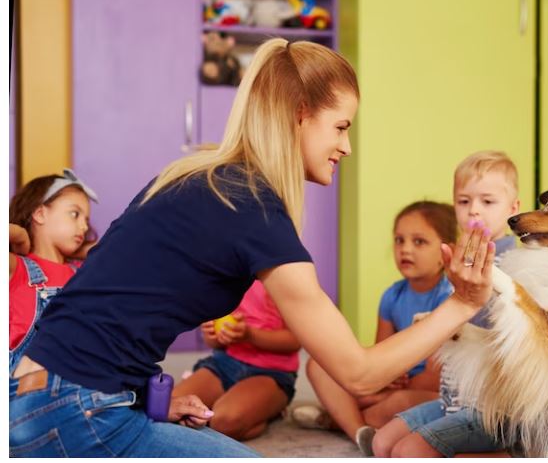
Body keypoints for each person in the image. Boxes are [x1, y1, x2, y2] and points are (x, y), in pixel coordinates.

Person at [9, 38, 496, 458]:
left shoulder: (196, 177)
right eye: (342, 127)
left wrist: (140, 394)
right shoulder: (254, 208)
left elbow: (104, 297)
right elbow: (359, 373)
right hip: (78, 408)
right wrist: (462, 303)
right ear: (299, 116)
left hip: (31, 388)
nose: (346, 147)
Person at [372, 150, 521, 458]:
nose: (474, 211)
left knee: (408, 452)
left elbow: (504, 330)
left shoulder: (517, 264)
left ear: (513, 208)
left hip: (490, 408)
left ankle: (511, 453)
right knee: (382, 443)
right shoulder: (459, 260)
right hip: (451, 397)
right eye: (464, 201)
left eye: (488, 202)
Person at [292, 201, 457, 455]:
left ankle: (337, 420)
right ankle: (360, 431)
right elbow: (380, 354)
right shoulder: (392, 296)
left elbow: (436, 378)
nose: (406, 249)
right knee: (319, 366)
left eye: (419, 242)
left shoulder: (449, 298)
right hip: (394, 384)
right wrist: (385, 381)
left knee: (398, 403)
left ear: (446, 251)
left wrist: (393, 387)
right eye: (399, 240)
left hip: (429, 391)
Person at [172, 280, 300, 441]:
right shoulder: (223, 278)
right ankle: (235, 405)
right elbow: (214, 343)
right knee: (172, 408)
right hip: (224, 363)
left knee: (223, 423)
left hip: (270, 372)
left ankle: (270, 411)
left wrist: (250, 335)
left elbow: (295, 341)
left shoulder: (280, 279)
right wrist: (211, 334)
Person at [9, 169, 98, 373]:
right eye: (75, 214)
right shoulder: (17, 267)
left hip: (79, 387)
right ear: (40, 214)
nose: (84, 227)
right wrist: (19, 234)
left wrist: (85, 250)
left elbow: (118, 249)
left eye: (86, 220)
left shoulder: (82, 273)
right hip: (27, 390)